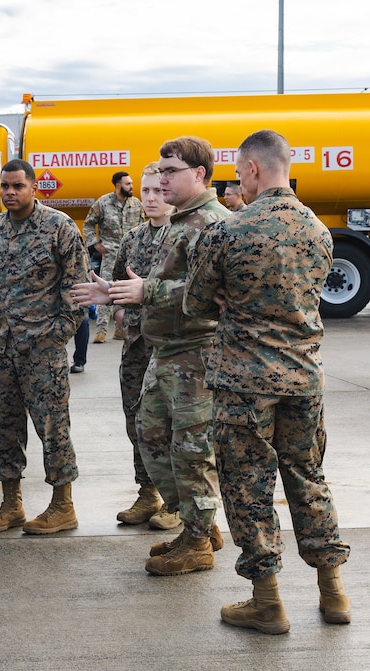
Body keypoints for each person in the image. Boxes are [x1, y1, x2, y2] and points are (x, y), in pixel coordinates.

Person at [184, 129, 351, 634]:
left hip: (243, 383)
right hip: (304, 379)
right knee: (308, 478)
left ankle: (267, 601)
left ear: (253, 169)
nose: (239, 182)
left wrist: (226, 301)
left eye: (239, 174)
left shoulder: (229, 231)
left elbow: (194, 304)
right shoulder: (319, 231)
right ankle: (333, 592)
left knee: (248, 486)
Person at [72, 139, 226, 577]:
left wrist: (147, 292)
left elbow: (216, 297)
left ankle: (198, 540)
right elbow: (156, 283)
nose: (160, 179)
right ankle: (197, 525)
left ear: (199, 174)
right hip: (164, 350)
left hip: (196, 353)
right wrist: (116, 292)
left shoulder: (214, 224)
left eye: (170, 170)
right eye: (159, 171)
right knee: (152, 437)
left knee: (192, 451)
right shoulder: (178, 223)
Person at [0, 159, 90, 535]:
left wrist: (58, 334)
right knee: (2, 426)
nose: (10, 193)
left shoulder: (59, 228)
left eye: (18, 186)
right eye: (5, 186)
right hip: (2, 348)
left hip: (42, 349)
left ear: (34, 188)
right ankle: (11, 504)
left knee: (52, 428)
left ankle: (62, 505)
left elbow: (78, 290)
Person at [104, 162, 178, 528]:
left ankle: (176, 500)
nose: (150, 198)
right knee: (137, 422)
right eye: (145, 191)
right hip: (135, 345)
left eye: (158, 191)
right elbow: (119, 281)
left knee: (171, 425)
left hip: (171, 347)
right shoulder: (133, 237)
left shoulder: (184, 235)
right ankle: (148, 492)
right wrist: (112, 301)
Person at [83, 171, 145, 343]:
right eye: (128, 184)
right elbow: (88, 224)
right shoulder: (103, 203)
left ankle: (121, 329)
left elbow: (142, 227)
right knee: (106, 288)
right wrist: (95, 244)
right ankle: (101, 331)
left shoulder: (136, 204)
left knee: (127, 291)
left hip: (132, 255)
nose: (132, 187)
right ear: (118, 185)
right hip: (110, 253)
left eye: (132, 183)